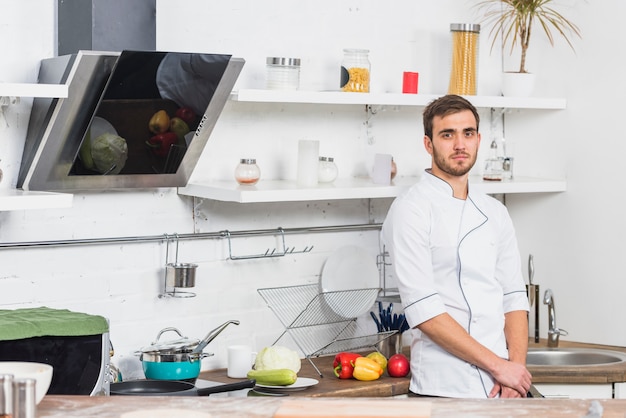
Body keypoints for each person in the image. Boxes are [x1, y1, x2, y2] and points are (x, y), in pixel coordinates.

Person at [381, 94, 532, 398]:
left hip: (502, 386)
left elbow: (513, 297)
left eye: (468, 133)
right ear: (428, 144)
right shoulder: (411, 209)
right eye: (447, 134)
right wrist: (499, 367)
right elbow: (424, 311)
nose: (460, 144)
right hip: (444, 385)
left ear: (478, 139)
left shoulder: (494, 211)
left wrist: (514, 371)